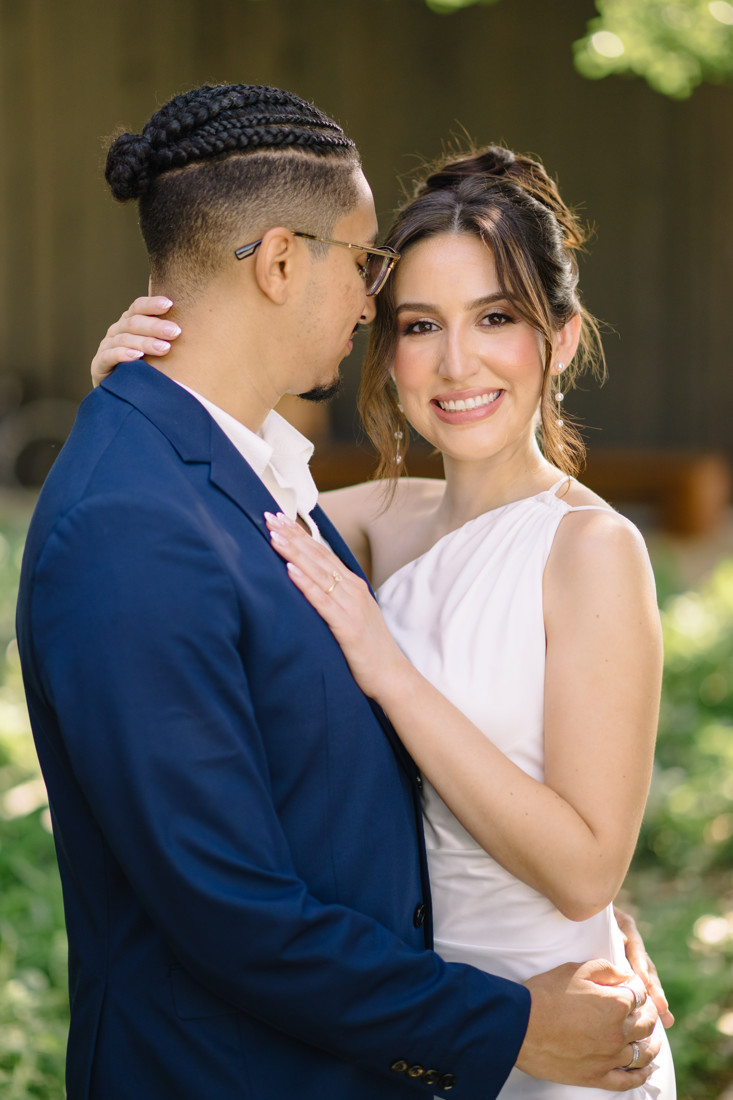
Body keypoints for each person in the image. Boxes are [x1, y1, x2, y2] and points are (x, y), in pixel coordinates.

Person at [30, 81, 662, 1099]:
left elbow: (537, 829)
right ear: (283, 261)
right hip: (348, 1044)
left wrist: (569, 920)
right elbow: (228, 905)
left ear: (561, 336)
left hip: (485, 1017)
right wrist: (133, 390)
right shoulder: (240, 515)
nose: (378, 309)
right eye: (396, 300)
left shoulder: (293, 495)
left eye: (495, 315)